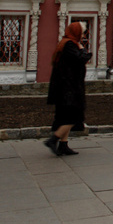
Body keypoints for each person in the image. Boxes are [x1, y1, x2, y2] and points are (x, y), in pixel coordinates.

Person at [44, 22, 91, 156]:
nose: (82, 36)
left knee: (65, 117)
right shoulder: (70, 45)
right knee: (73, 117)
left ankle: (63, 145)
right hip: (68, 89)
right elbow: (81, 59)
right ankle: (53, 139)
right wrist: (83, 49)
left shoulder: (66, 43)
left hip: (65, 87)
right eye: (81, 33)